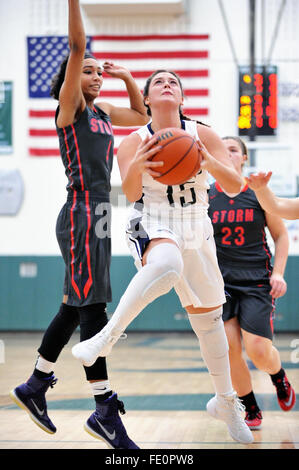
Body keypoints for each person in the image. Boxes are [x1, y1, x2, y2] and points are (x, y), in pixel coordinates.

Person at [72, 69, 254, 444]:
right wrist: (141, 161)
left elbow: (235, 186)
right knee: (166, 264)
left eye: (174, 82)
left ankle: (225, 401)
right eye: (159, 83)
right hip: (152, 219)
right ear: (148, 99)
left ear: (182, 99)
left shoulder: (202, 134)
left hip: (196, 225)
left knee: (209, 321)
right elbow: (132, 189)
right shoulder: (132, 142)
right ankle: (107, 337)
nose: (167, 85)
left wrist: (207, 160)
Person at [9, 0, 148, 450]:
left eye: (97, 72)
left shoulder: (105, 112)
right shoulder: (69, 109)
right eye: (87, 70)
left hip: (101, 213)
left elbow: (143, 117)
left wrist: (127, 78)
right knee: (92, 311)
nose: (95, 75)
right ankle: (104, 409)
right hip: (81, 211)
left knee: (78, 306)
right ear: (71, 79)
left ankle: (35, 385)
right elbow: (75, 44)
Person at [208, 136, 296, 430]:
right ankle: (250, 406)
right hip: (219, 285)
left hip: (257, 280)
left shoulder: (258, 192)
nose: (228, 154)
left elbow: (282, 235)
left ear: (243, 158)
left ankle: (279, 376)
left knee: (258, 350)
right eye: (223, 150)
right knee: (229, 348)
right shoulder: (205, 196)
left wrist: (279, 273)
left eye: (233, 149)